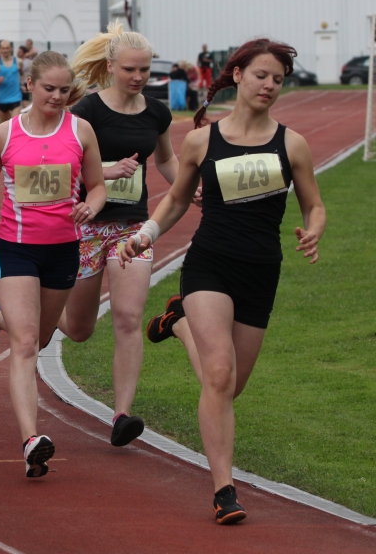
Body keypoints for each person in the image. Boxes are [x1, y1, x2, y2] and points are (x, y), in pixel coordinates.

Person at [122, 38, 326, 525]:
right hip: (210, 264)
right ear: (238, 75)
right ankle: (224, 490)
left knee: (229, 388)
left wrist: (313, 229)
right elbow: (177, 199)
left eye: (277, 79)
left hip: (261, 271)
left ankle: (178, 323)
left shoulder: (291, 144)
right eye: (261, 75)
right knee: (217, 374)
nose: (269, 85)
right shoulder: (202, 141)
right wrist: (147, 233)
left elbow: (314, 204)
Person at [0, 50, 106, 478]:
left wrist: (90, 206)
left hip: (63, 249)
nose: (57, 97)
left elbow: (98, 186)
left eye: (65, 90)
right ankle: (31, 439)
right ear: (30, 85)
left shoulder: (80, 131)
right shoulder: (3, 135)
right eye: (49, 88)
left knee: (40, 337)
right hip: (16, 247)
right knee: (25, 343)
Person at [48, 21, 177, 447]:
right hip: (86, 225)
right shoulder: (86, 112)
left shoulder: (157, 112)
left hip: (133, 228)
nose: (138, 77)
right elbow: (62, 164)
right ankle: (1, 314)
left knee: (127, 317)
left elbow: (166, 160)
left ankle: (122, 414)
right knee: (79, 328)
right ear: (110, 66)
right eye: (129, 69)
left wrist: (188, 189)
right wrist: (106, 171)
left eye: (144, 69)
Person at [0, 39, 23, 122]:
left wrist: (22, 84)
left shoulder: (18, 61)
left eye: (7, 48)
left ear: (11, 48)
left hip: (15, 97)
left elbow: (22, 74)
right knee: (6, 124)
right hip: (2, 98)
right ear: (0, 49)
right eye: (3, 48)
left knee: (15, 122)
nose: (5, 50)